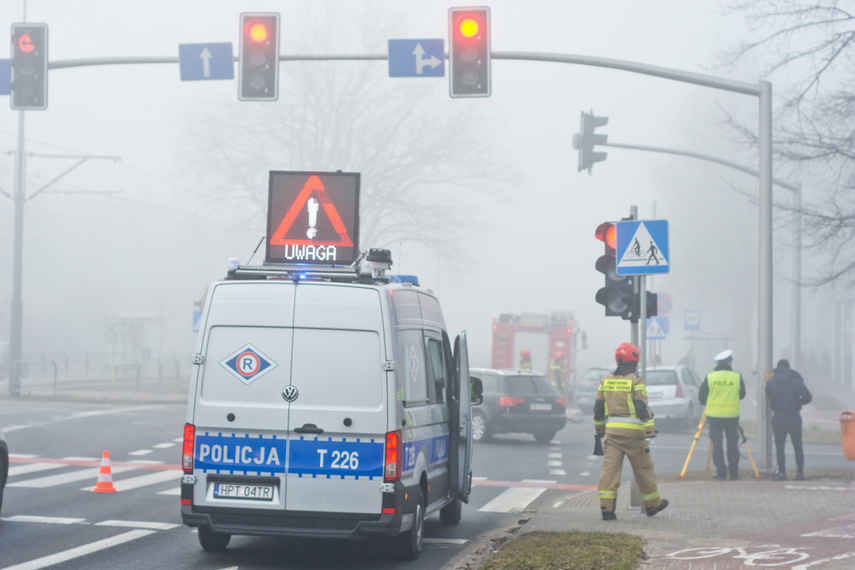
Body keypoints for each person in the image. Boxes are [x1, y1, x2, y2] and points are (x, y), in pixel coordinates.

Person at [594, 342, 669, 520]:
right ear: (634, 362)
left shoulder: (606, 380)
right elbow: (641, 406)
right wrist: (650, 430)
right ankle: (652, 505)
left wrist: (600, 430)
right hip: (634, 436)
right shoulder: (636, 381)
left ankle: (607, 510)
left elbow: (598, 408)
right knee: (643, 470)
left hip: (612, 435)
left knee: (609, 472)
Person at [699, 349, 747, 480]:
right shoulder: (736, 376)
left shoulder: (710, 377)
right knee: (732, 445)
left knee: (717, 445)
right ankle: (734, 473)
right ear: (728, 363)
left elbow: (701, 398)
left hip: (714, 418)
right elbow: (742, 394)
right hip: (732, 417)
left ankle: (721, 473)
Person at [766, 359, 812, 481]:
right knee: (797, 445)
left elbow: (768, 394)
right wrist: (798, 402)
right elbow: (808, 397)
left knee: (779, 446)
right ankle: (800, 473)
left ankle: (782, 473)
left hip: (778, 416)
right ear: (788, 367)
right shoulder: (796, 380)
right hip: (794, 416)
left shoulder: (771, 381)